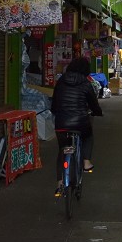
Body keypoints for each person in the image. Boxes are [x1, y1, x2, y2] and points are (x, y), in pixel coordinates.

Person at [50, 57, 103, 196]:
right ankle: (86, 162)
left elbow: (54, 104)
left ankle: (60, 184)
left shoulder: (61, 81)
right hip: (80, 122)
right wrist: (98, 112)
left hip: (61, 123)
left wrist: (57, 111)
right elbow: (93, 103)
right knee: (88, 135)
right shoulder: (85, 82)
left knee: (62, 150)